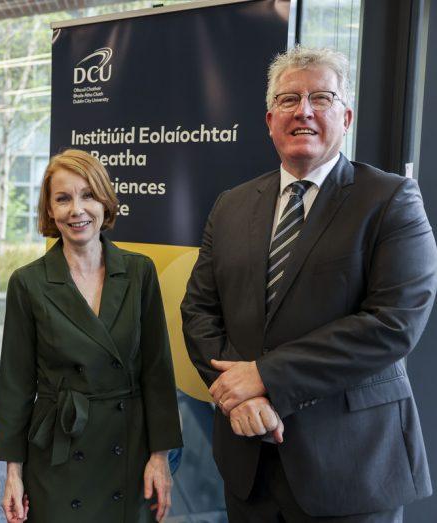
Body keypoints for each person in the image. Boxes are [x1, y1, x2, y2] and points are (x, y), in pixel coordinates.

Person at [181, 45, 437, 522]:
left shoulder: (391, 200)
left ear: (347, 116)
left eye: (321, 97)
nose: (303, 111)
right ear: (269, 119)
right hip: (249, 459)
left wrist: (266, 377)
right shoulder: (231, 205)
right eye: (288, 99)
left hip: (351, 467)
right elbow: (199, 311)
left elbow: (392, 323)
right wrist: (237, 393)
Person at [0, 149, 183, 523]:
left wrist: (159, 458)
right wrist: (12, 473)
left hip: (126, 448)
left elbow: (157, 373)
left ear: (105, 201)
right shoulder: (27, 283)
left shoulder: (139, 273)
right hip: (58, 452)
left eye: (88, 195)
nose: (77, 210)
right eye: (63, 198)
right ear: (49, 210)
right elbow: (15, 386)